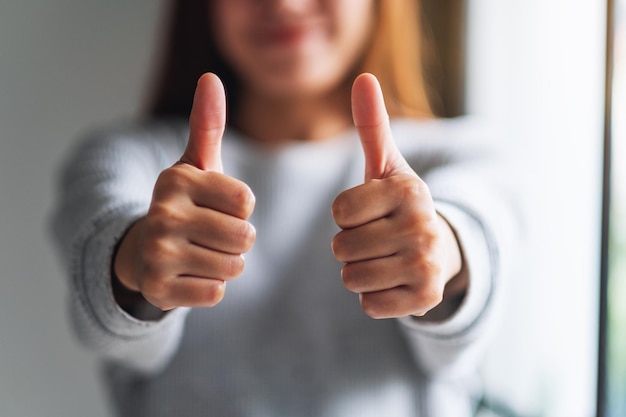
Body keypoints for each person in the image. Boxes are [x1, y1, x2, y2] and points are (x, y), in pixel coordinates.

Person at [50, 1, 520, 416]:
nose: (284, 4)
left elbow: (480, 231)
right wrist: (137, 258)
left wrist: (443, 253)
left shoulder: (463, 158)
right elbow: (100, 280)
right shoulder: (127, 159)